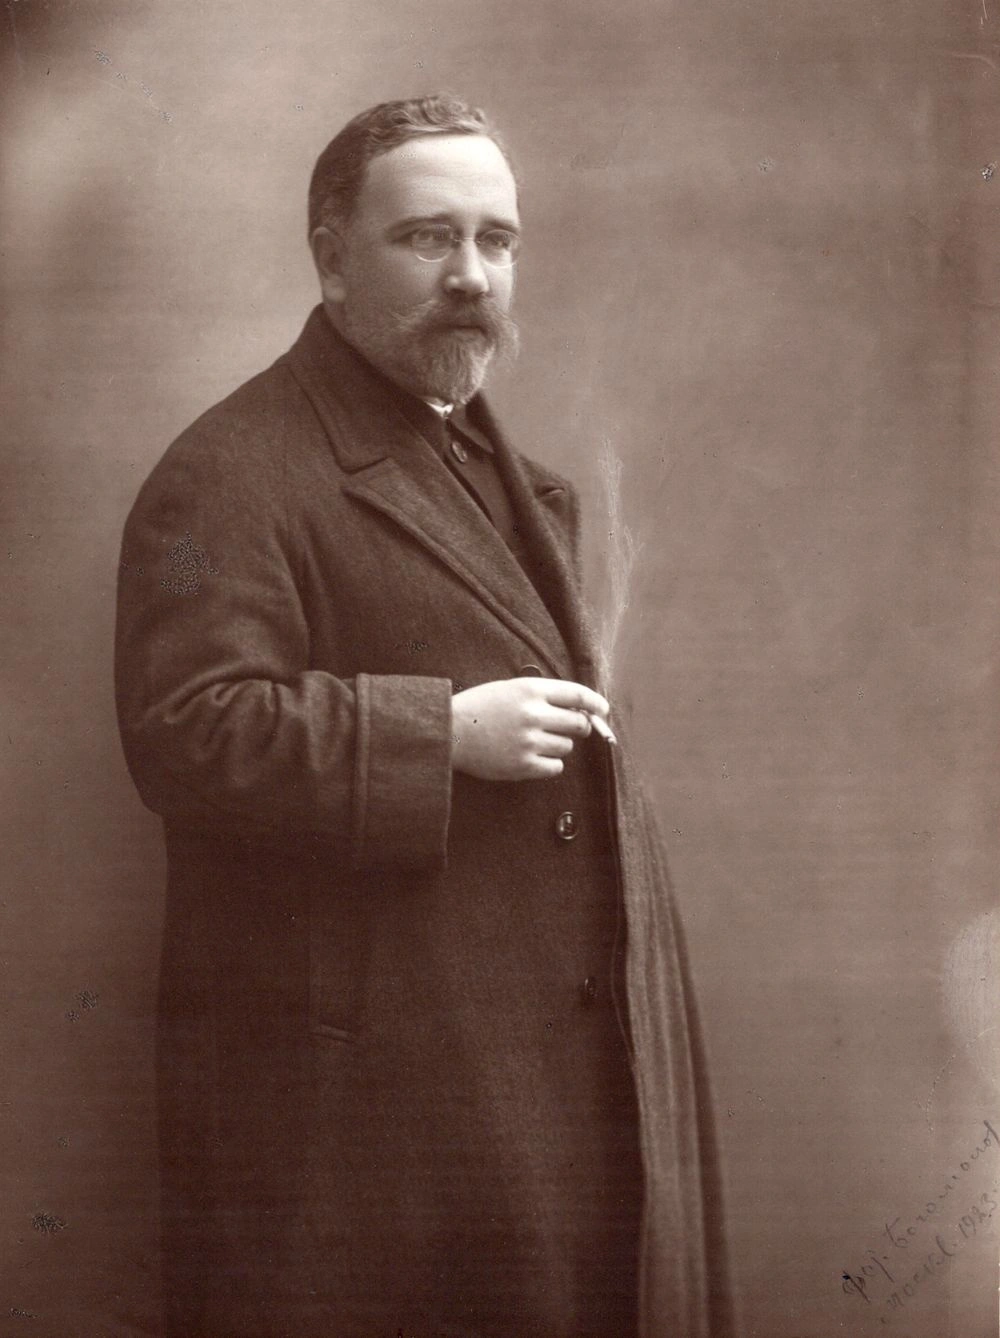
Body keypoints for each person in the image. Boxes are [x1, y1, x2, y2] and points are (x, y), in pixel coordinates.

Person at [115, 93, 732, 1338]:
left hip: (539, 1075)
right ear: (332, 256)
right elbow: (185, 730)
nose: (470, 276)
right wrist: (440, 735)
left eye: (495, 240)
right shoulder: (219, 476)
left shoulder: (502, 475)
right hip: (373, 1117)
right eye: (426, 237)